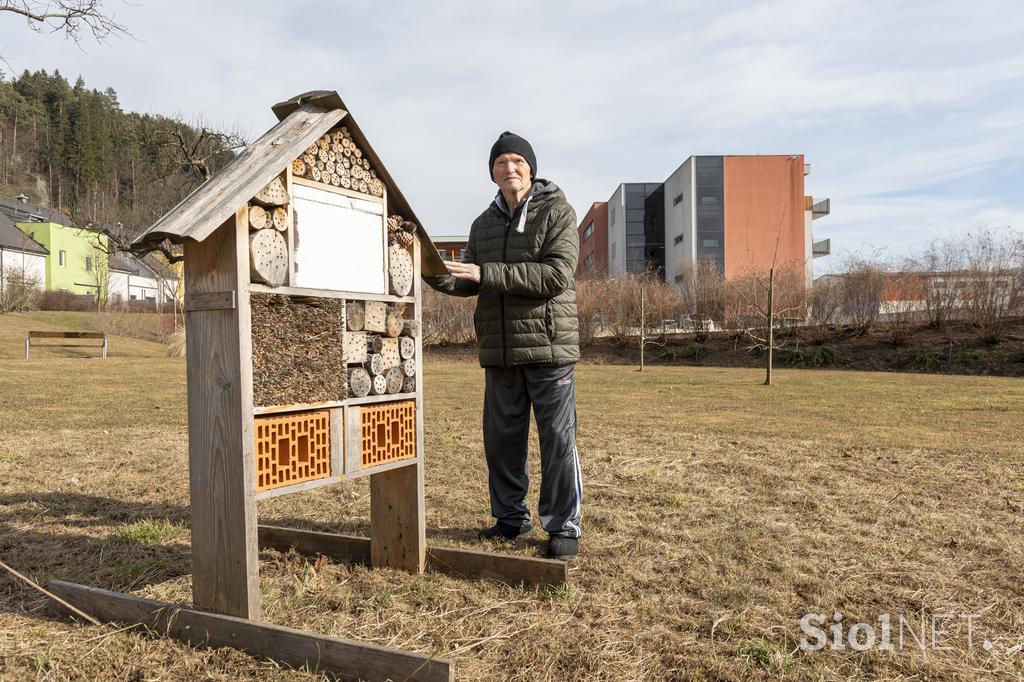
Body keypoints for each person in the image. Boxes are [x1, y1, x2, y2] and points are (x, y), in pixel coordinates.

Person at [425, 131, 582, 560]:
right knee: (501, 440)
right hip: (500, 350)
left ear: (531, 168)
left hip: (550, 349)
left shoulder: (558, 212)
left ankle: (563, 525)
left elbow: (555, 277)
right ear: (492, 173)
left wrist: (486, 272)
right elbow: (467, 280)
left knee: (557, 440)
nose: (508, 169)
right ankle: (510, 518)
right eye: (500, 163)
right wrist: (428, 268)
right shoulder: (484, 223)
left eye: (516, 161)